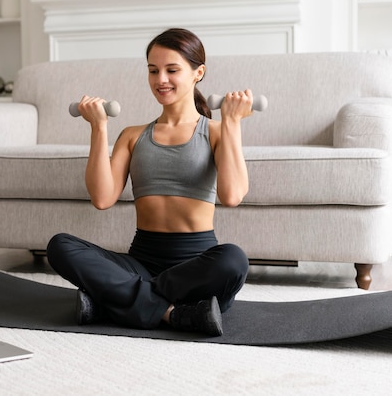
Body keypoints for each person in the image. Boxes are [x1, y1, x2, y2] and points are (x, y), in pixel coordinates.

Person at [46, 28, 252, 337]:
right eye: (153, 71)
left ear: (198, 73)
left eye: (172, 70)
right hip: (142, 261)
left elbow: (233, 195)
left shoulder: (215, 131)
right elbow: (102, 199)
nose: (161, 80)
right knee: (60, 245)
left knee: (233, 259)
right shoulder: (132, 135)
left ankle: (116, 301)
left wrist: (232, 123)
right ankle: (175, 314)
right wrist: (99, 128)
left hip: (198, 267)